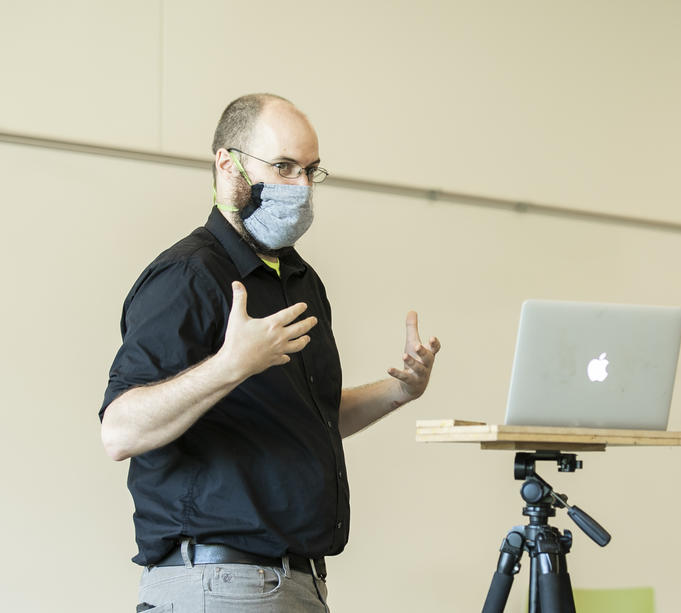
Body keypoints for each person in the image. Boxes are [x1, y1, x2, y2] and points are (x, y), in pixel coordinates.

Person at [99, 93, 440, 613]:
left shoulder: (301, 281)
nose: (300, 187)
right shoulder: (188, 276)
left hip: (295, 583)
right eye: (283, 167)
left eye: (310, 171)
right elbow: (120, 431)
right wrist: (229, 367)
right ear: (225, 163)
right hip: (219, 584)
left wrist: (401, 390)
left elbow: (311, 418)